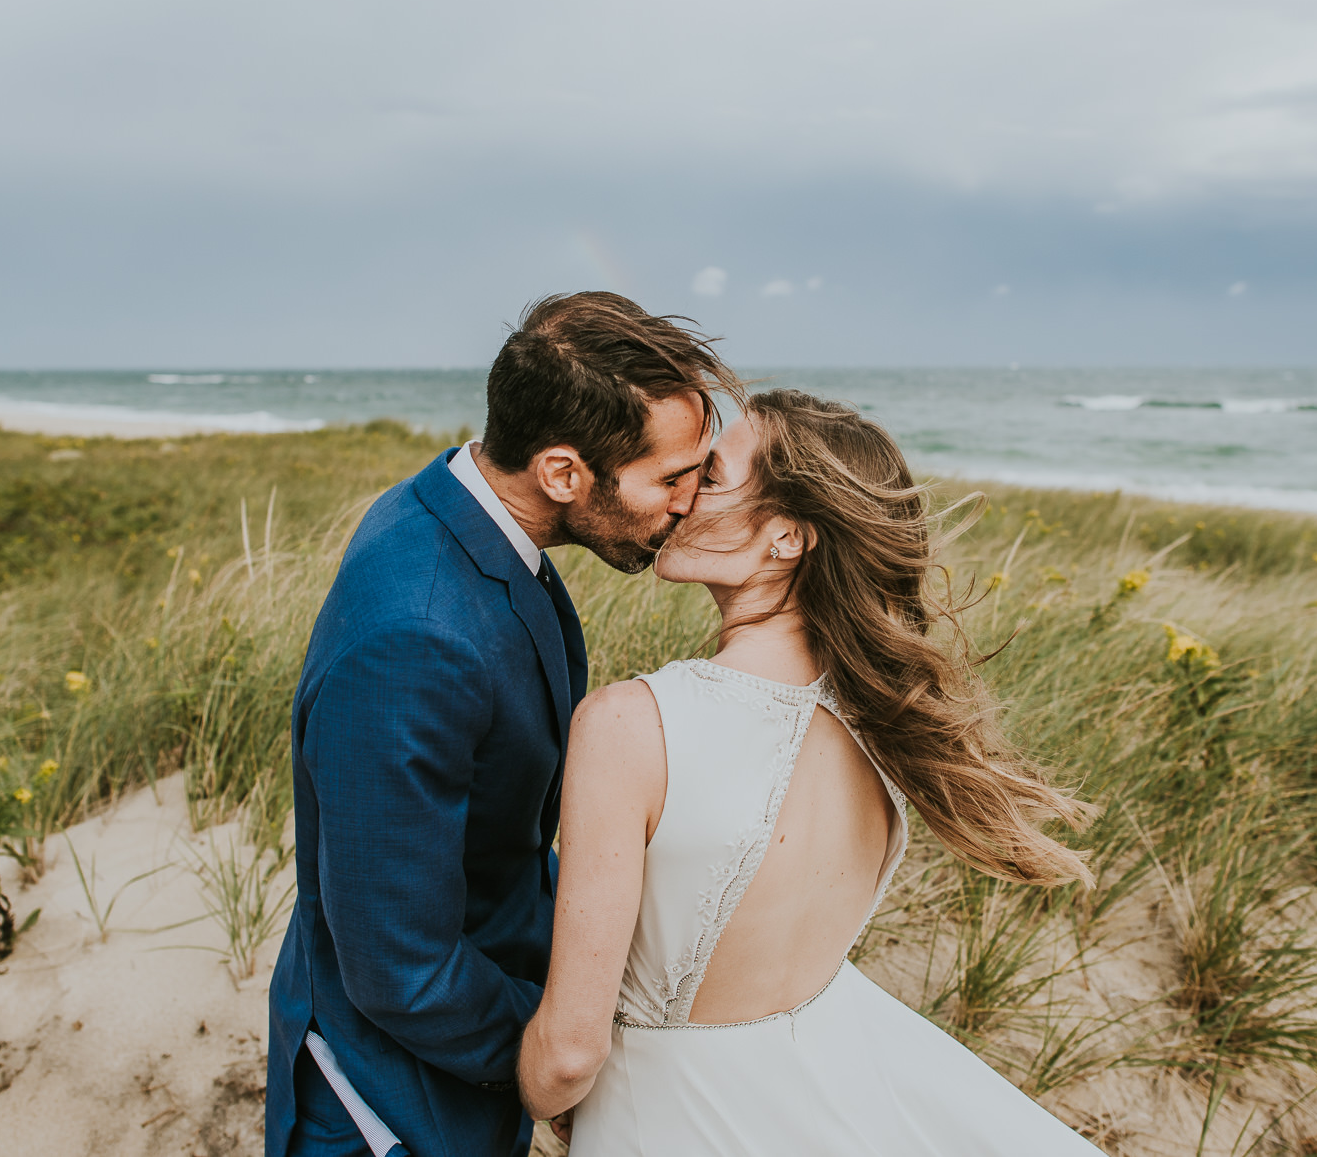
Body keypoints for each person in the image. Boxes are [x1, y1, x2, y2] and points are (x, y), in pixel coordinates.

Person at [516, 389, 1108, 1155]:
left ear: (788, 538)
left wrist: (534, 1092)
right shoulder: (888, 718)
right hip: (825, 1089)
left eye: (714, 475)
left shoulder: (633, 725)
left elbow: (567, 1056)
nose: (684, 494)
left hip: (664, 1119)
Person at [267, 293, 740, 1157]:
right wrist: (557, 1055)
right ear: (563, 473)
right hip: (390, 1108)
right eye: (671, 477)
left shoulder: (467, 513)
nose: (690, 500)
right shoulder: (415, 641)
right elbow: (400, 970)